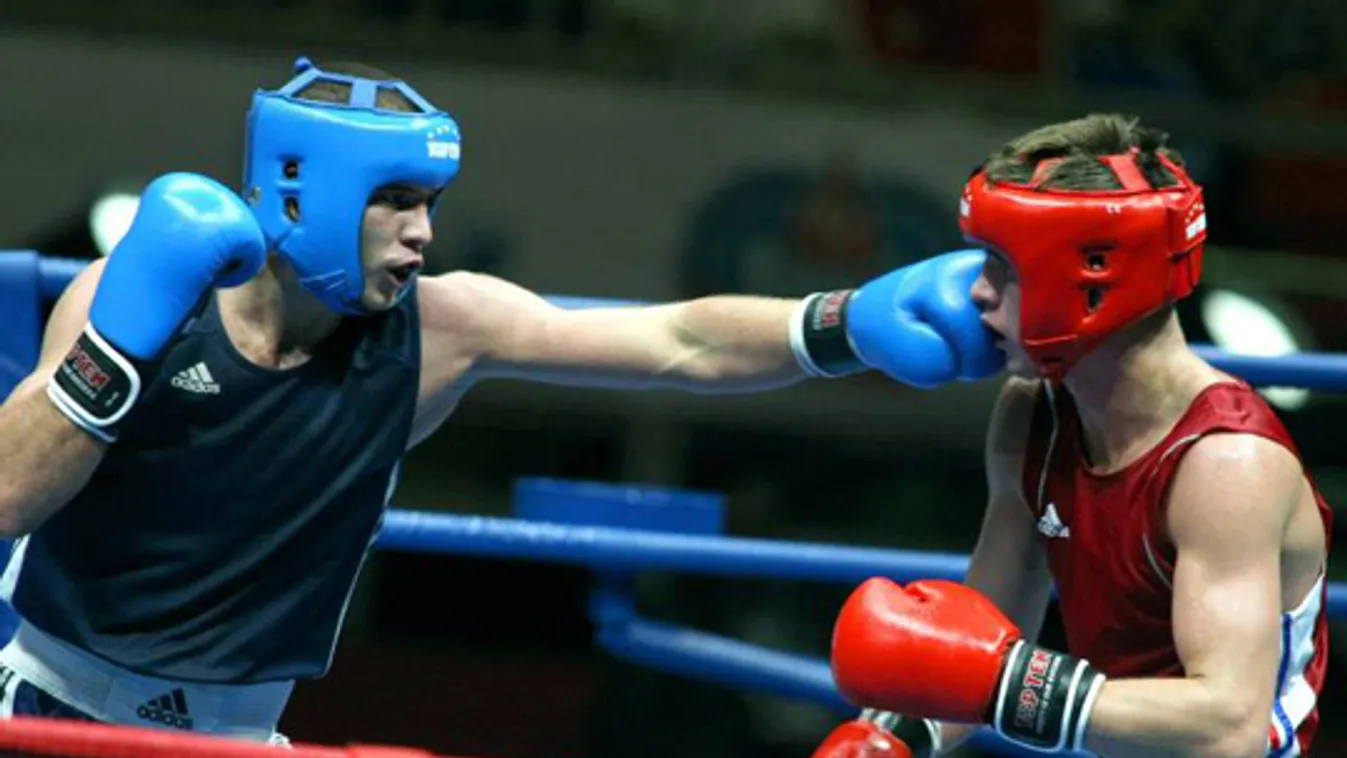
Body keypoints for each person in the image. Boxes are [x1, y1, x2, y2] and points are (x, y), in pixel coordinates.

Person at [0, 57, 1002, 741]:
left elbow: (676, 340)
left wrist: (842, 324)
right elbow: (8, 499)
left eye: (429, 204)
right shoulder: (134, 296)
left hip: (237, 735)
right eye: (396, 201)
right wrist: (116, 350)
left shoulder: (442, 328)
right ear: (300, 192)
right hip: (45, 708)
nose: (423, 234)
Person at [811, 114, 1332, 758]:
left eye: (1003, 266)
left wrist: (1007, 685)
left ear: (1092, 276)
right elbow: (973, 647)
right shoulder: (1034, 415)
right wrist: (886, 740)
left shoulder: (1227, 465)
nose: (976, 292)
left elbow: (1228, 730)